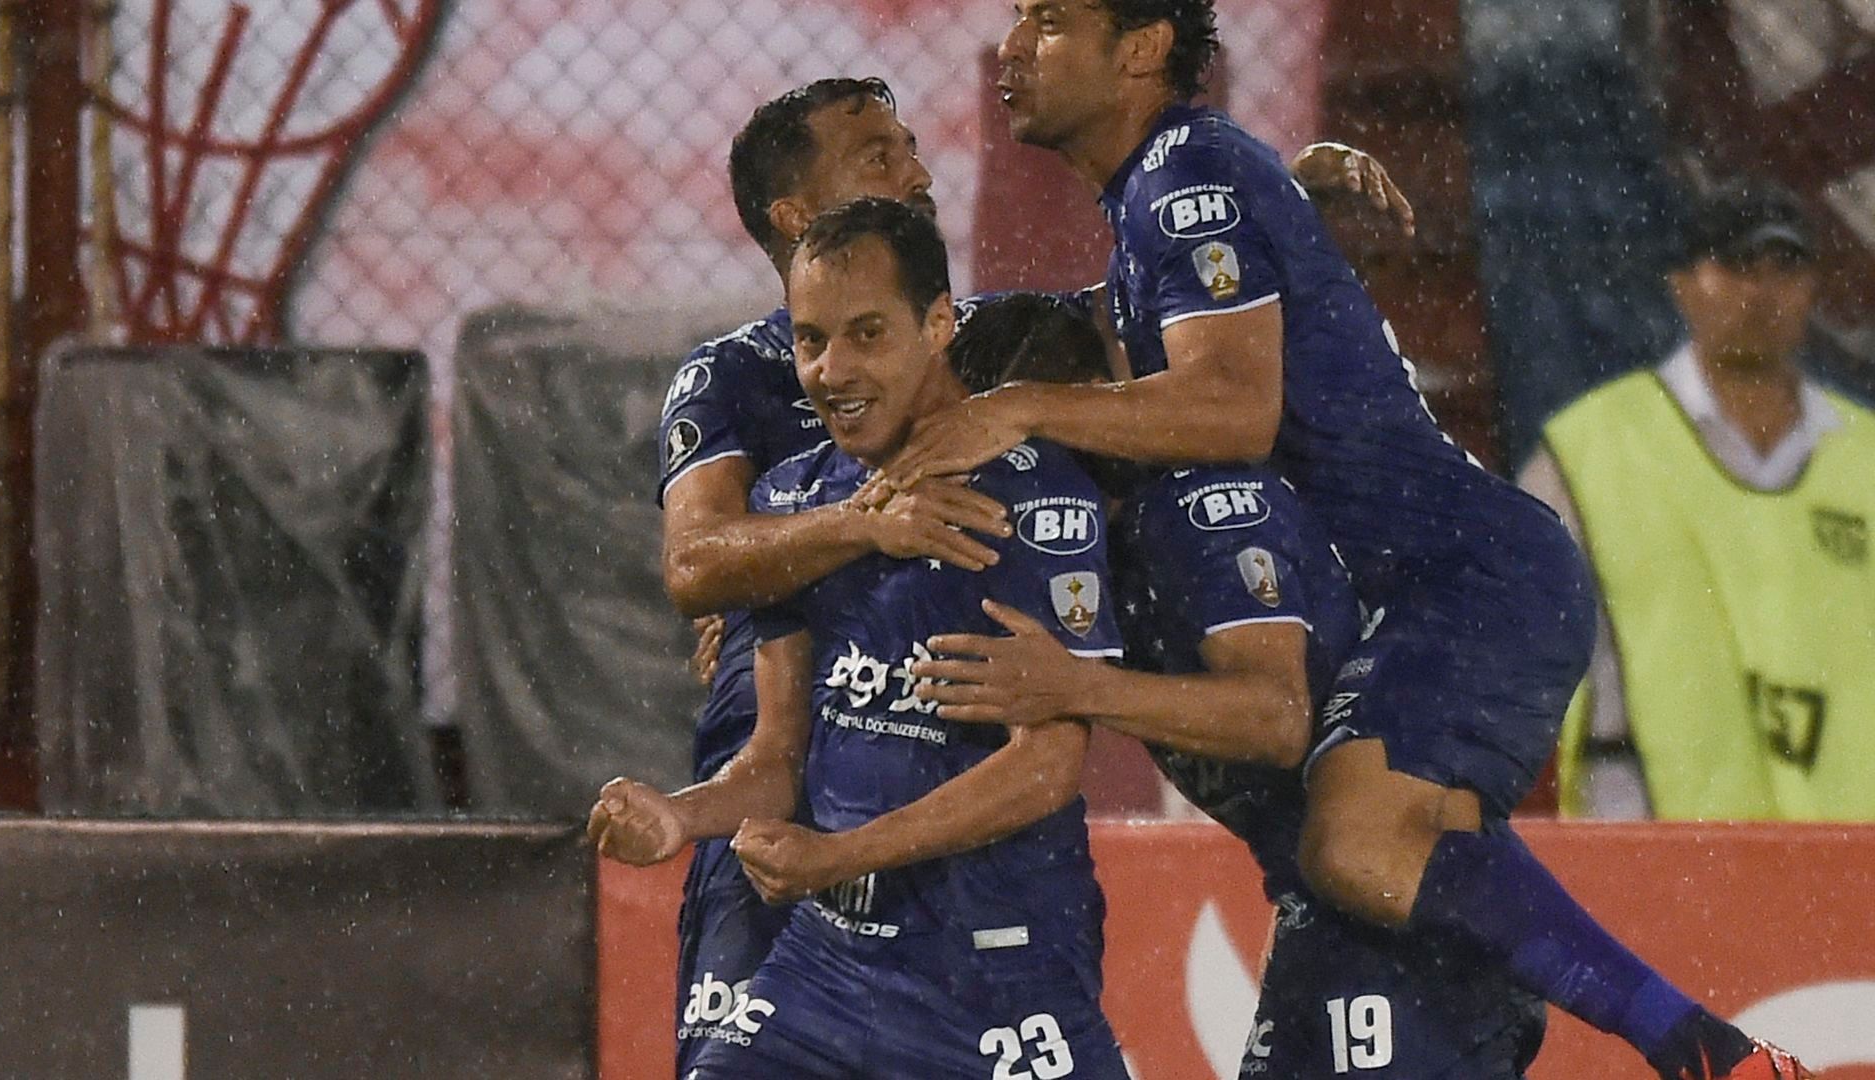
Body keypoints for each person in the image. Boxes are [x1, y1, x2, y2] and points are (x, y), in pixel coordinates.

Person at [880, 3, 1813, 1077]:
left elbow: (1232, 404)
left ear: (1139, 48)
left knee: (1355, 839)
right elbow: (1096, 330)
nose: (1015, 47)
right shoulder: (1174, 191)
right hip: (1451, 594)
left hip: (1469, 576)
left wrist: (1025, 407)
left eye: (1050, 22)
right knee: (1362, 852)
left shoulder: (1181, 200)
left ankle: (1703, 1048)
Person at [647, 74, 1417, 1073]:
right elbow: (698, 562)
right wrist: (854, 530)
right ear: (795, 216)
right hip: (784, 807)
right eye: (879, 154)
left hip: (963, 837)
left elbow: (1141, 315)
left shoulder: (975, 347)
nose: (917, 171)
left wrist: (1277, 202)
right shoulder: (734, 377)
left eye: (911, 145)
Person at [924, 292, 1549, 1076]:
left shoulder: (1195, 511)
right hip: (1339, 918)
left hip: (1406, 926)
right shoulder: (1108, 550)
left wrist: (1079, 688)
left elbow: (1277, 714)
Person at [594, 198, 1132, 1079]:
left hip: (996, 970)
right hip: (831, 971)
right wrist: (681, 816)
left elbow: (1045, 768)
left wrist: (840, 854)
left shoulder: (1029, 496)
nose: (832, 370)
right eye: (811, 340)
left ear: (938, 324)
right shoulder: (796, 504)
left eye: (868, 334)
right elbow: (777, 759)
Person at [1519, 179, 1875, 821]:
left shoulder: (1865, 456)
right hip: (1648, 822)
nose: (1760, 294)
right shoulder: (1589, 449)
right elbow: (1508, 642)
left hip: (1848, 847)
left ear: (1813, 289)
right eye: (1736, 267)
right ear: (1682, 283)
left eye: (1784, 269)